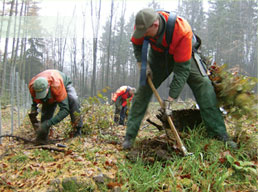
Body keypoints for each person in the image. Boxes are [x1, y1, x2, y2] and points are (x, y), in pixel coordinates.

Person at [122, 8, 237, 149]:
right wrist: (143, 64)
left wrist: (170, 100)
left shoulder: (182, 31)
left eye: (146, 33)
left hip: (184, 54)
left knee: (203, 85)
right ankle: (129, 137)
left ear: (155, 25)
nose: (143, 35)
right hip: (158, 56)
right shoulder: (142, 25)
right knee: (143, 90)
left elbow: (182, 71)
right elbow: (137, 44)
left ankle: (219, 135)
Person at [28, 69, 83, 144]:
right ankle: (43, 137)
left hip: (63, 84)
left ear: (48, 87)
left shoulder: (56, 85)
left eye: (43, 93)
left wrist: (49, 123)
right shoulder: (32, 87)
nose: (41, 96)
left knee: (73, 99)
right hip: (50, 86)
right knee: (46, 110)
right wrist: (33, 112)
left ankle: (77, 131)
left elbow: (65, 109)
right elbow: (34, 102)